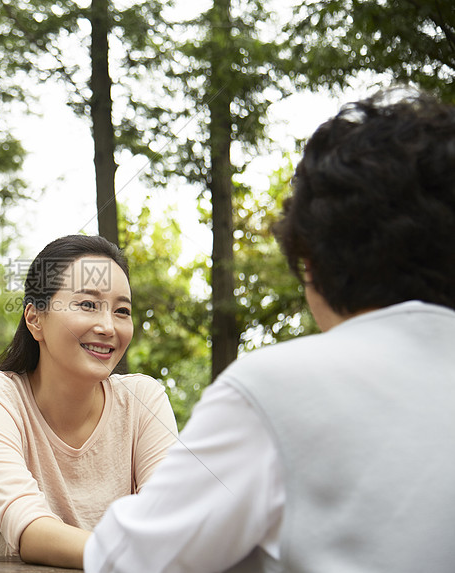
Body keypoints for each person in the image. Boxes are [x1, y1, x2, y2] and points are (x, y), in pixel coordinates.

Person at [85, 89, 455, 572]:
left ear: (310, 259)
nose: (107, 326)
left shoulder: (275, 387)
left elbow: (125, 559)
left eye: (121, 309)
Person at [0, 234, 178, 568]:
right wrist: (135, 552)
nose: (107, 326)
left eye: (122, 311)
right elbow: (28, 529)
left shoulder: (144, 400)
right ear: (35, 319)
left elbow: (167, 518)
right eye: (88, 304)